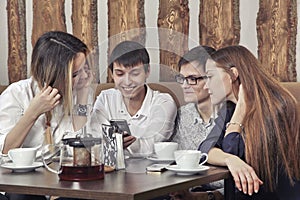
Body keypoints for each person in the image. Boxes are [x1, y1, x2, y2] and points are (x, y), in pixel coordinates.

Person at [0, 31, 94, 200]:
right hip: (21, 184)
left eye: (84, 69)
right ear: (52, 74)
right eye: (74, 74)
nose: (85, 77)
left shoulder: (79, 93)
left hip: (62, 183)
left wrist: (83, 96)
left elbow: (79, 149)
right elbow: (5, 153)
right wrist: (33, 113)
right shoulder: (16, 94)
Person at [204, 45, 300, 199]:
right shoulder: (228, 109)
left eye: (210, 76)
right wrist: (230, 160)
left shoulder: (277, 105)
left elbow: (236, 151)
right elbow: (205, 149)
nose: (206, 85)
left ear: (233, 74)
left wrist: (241, 110)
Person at [93, 40, 177, 157]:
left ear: (147, 72)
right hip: (111, 172)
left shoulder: (163, 102)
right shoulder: (105, 98)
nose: (127, 82)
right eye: (120, 74)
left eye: (135, 73)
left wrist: (113, 145)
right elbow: (94, 142)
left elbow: (152, 147)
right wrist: (114, 144)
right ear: (112, 74)